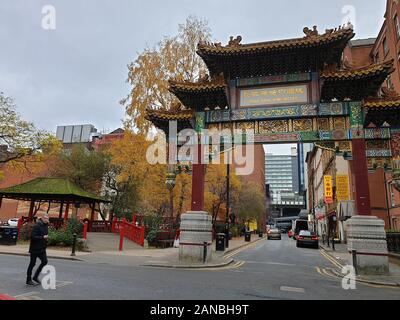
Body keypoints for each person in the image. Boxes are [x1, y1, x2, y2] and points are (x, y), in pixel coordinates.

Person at [26, 214, 49, 286]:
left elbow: (45, 236)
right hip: (35, 248)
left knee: (45, 261)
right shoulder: (37, 226)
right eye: (45, 218)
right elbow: (32, 237)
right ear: (42, 219)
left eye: (47, 218)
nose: (47, 220)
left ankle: (35, 277)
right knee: (32, 264)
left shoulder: (46, 226)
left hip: (42, 249)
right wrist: (42, 237)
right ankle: (28, 279)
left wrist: (46, 240)